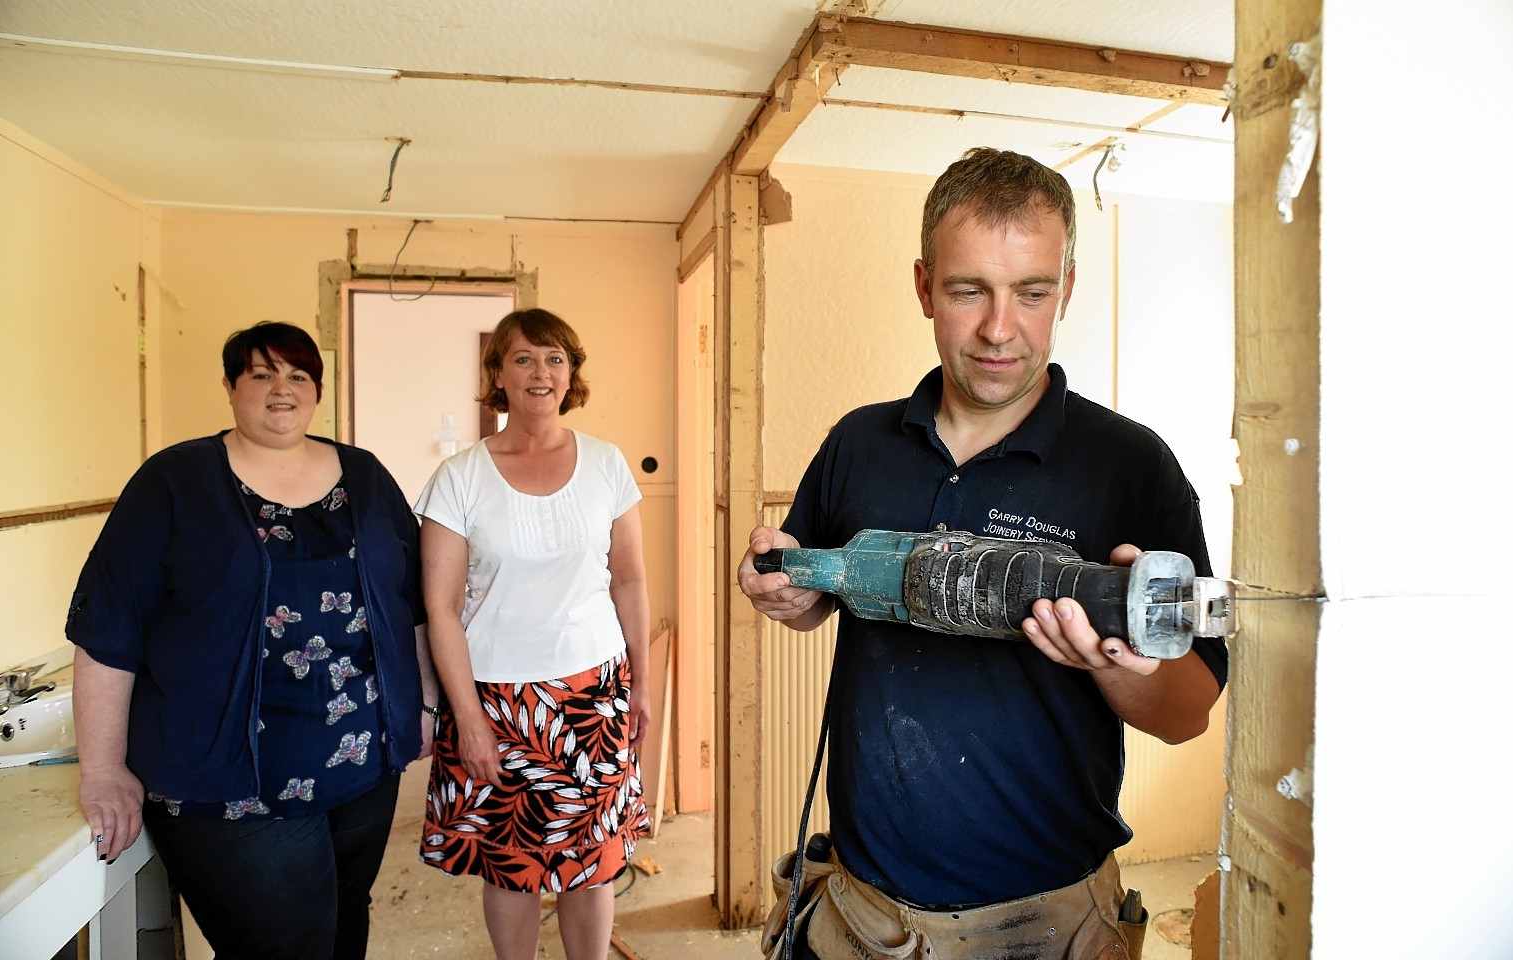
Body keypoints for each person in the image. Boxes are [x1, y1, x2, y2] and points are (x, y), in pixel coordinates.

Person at [738, 148, 1229, 960]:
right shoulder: (858, 443)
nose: (1000, 328)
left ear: (1066, 287)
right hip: (863, 912)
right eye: (969, 291)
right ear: (926, 285)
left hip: (1048, 922)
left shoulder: (1133, 466)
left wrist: (1109, 661)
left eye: (1032, 292)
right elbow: (817, 588)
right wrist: (791, 590)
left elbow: (1187, 713)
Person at [66, 321, 434, 960]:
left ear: (317, 390)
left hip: (362, 766)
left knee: (345, 923)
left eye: (296, 375)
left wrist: (423, 702)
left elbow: (414, 599)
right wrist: (102, 768)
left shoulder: (366, 475)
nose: (280, 390)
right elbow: (108, 626)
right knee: (283, 945)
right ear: (232, 387)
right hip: (225, 776)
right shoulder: (174, 481)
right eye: (260, 374)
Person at [414, 307, 652, 960]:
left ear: (571, 373)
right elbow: (440, 607)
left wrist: (643, 686)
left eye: (554, 358)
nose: (539, 372)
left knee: (593, 860)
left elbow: (629, 580)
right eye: (521, 358)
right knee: (511, 865)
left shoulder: (606, 464)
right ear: (497, 374)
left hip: (594, 693)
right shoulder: (458, 478)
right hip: (495, 698)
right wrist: (468, 719)